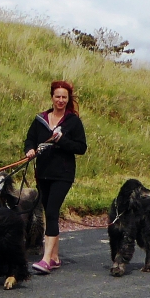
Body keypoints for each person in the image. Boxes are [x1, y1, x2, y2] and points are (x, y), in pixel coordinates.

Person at [24, 80, 87, 274]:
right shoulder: (40, 119)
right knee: (48, 212)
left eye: (64, 97)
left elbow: (81, 147)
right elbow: (30, 139)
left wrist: (62, 141)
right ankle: (56, 257)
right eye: (57, 96)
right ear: (52, 97)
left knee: (52, 211)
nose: (60, 100)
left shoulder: (73, 121)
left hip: (63, 174)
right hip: (43, 173)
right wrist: (30, 150)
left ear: (68, 100)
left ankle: (46, 259)